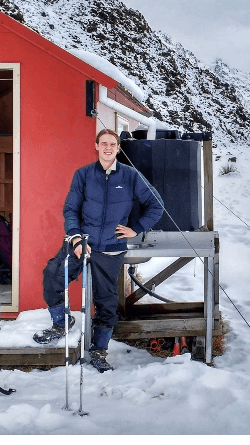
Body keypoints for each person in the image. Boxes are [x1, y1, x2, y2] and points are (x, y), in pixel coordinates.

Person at [33, 128, 163, 372]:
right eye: (103, 143)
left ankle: (99, 349)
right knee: (52, 274)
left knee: (106, 302)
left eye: (112, 144)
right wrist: (75, 239)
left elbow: (156, 205)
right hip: (81, 242)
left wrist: (136, 228)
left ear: (117, 148)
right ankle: (61, 322)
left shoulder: (130, 176)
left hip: (111, 248)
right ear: (96, 146)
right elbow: (71, 210)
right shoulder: (83, 175)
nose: (107, 148)